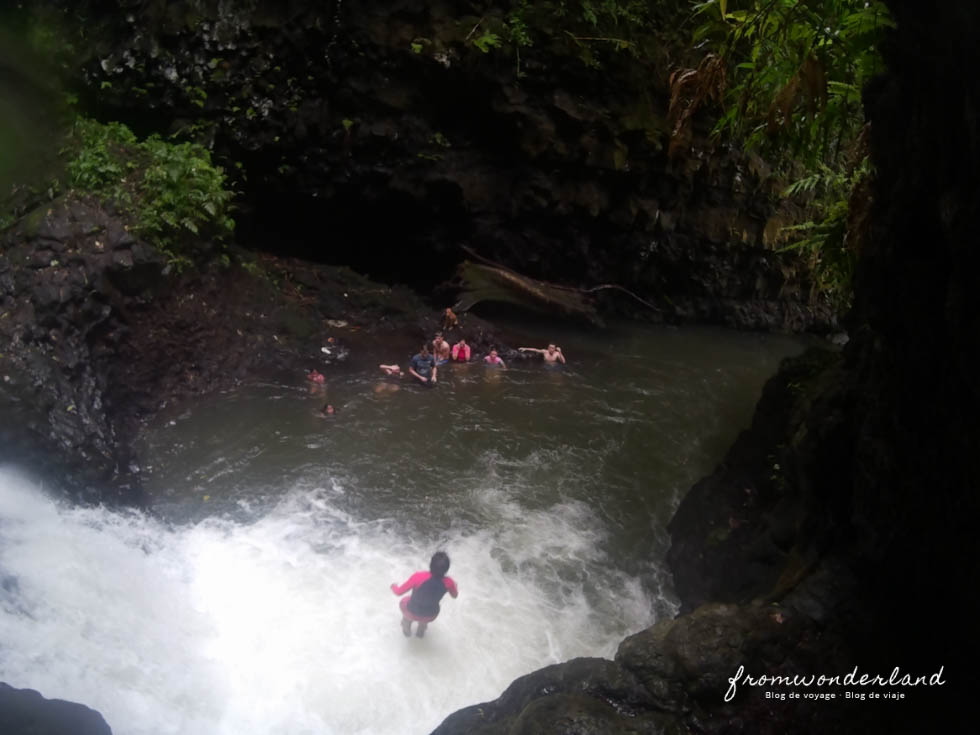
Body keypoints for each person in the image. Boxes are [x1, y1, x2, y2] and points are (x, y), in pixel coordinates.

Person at [390, 551, 458, 638]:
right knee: (423, 621)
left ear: (431, 565)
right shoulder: (449, 582)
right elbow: (454, 596)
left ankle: (406, 632)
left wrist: (393, 586)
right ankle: (420, 633)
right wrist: (454, 586)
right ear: (446, 569)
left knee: (405, 603)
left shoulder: (418, 576)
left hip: (411, 611)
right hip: (430, 615)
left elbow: (398, 592)